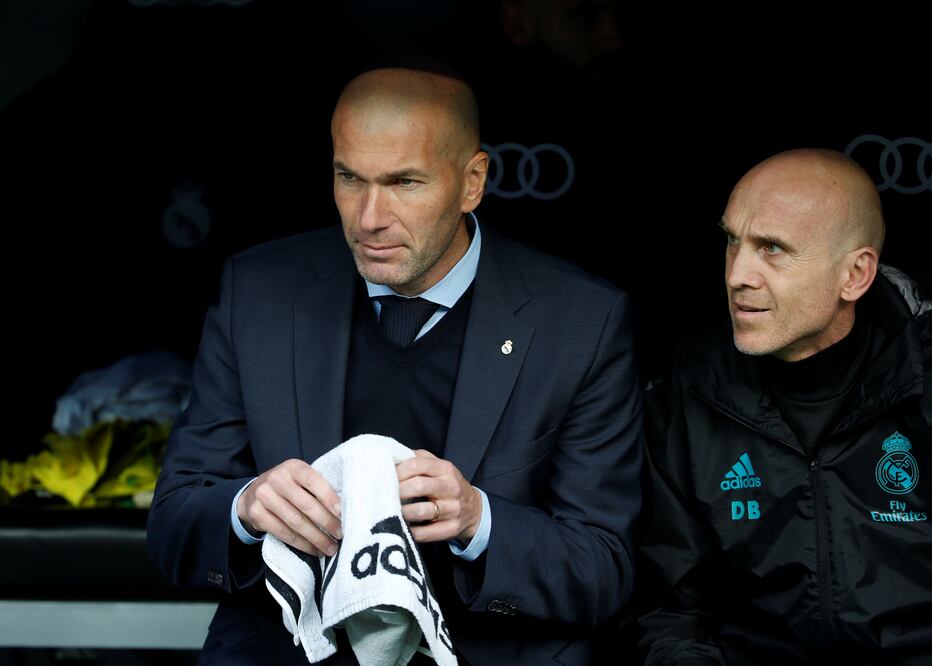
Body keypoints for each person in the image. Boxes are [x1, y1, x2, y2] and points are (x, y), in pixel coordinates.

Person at [147, 65, 642, 665]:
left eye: (405, 183)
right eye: (349, 178)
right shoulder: (260, 294)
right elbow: (172, 528)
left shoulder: (579, 322)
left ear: (472, 182)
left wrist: (478, 520)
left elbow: (605, 570)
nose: (368, 218)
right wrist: (246, 509)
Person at [638, 148, 932, 664]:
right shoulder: (686, 393)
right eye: (733, 242)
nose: (736, 276)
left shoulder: (922, 380)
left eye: (772, 248)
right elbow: (670, 607)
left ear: (855, 275)